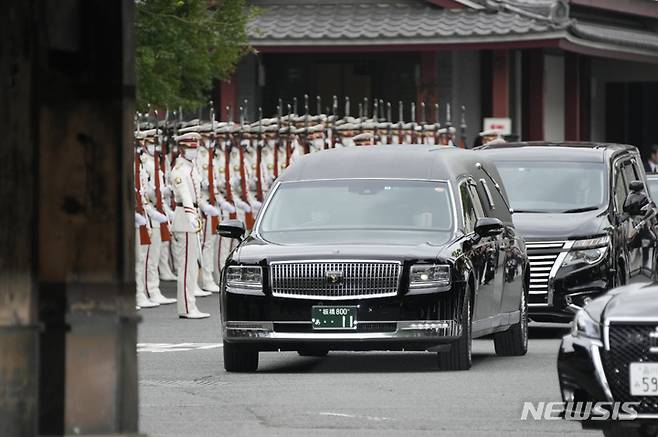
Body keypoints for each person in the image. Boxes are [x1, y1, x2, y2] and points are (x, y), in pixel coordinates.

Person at [170, 132, 210, 319]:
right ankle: (186, 307)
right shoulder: (179, 170)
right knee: (186, 267)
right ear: (181, 149)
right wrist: (191, 215)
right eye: (190, 148)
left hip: (192, 218)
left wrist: (200, 209)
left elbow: (196, 196)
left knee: (191, 266)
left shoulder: (191, 168)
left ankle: (189, 304)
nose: (193, 151)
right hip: (185, 220)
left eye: (195, 148)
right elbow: (185, 195)